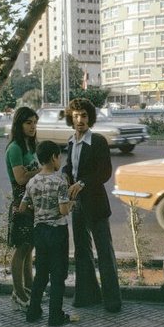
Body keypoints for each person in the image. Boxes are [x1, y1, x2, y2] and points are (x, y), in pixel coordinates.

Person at [63, 98, 122, 313]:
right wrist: (64, 175)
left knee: (104, 252)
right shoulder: (71, 142)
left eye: (84, 116)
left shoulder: (97, 141)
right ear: (71, 118)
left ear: (90, 118)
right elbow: (70, 167)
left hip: (96, 203)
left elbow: (104, 172)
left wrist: (82, 183)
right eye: (76, 116)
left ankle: (112, 301)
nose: (80, 120)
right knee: (82, 252)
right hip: (78, 205)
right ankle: (87, 296)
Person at [22, 140, 74, 326]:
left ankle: (33, 311)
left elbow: (23, 207)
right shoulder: (60, 181)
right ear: (53, 157)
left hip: (39, 231)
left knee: (42, 273)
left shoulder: (32, 181)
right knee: (58, 275)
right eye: (59, 157)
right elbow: (63, 210)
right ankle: (55, 315)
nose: (60, 161)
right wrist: (71, 200)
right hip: (57, 232)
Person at [5, 107, 41, 311]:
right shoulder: (15, 148)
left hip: (32, 203)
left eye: (35, 122)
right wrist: (43, 169)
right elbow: (20, 178)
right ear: (19, 125)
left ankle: (29, 287)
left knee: (29, 247)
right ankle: (17, 293)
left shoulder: (29, 146)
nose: (33, 126)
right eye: (28, 123)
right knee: (21, 248)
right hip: (22, 204)